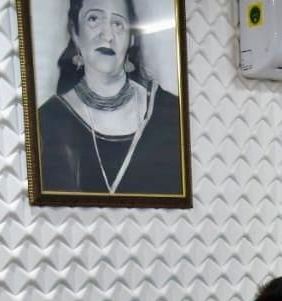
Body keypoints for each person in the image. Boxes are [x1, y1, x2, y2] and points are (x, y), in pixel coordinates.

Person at [36, 0, 183, 195]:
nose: (107, 36)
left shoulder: (170, 113)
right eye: (94, 19)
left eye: (118, 24)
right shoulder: (48, 120)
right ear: (75, 32)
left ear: (131, 39)